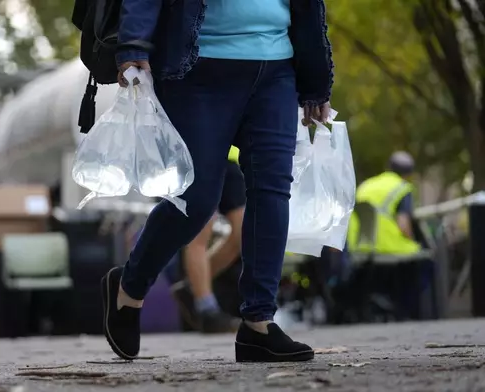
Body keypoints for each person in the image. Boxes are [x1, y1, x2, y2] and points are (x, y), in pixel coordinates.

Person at [101, 0, 334, 363]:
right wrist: (133, 45)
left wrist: (316, 80)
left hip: (276, 67)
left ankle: (258, 322)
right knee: (196, 198)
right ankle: (130, 285)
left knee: (273, 187)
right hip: (198, 64)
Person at [164, 146, 245, 333]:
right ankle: (207, 310)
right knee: (200, 228)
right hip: (193, 153)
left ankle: (191, 286)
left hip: (226, 156)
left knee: (243, 232)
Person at [347, 151, 421, 255]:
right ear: (408, 175)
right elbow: (403, 224)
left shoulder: (366, 185)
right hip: (388, 247)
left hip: (358, 246)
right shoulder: (402, 188)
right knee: (422, 253)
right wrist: (412, 239)